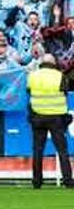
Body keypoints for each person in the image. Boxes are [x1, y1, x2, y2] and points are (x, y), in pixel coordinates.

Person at [27, 54, 74, 189]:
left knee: (37, 150)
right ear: (53, 63)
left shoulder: (32, 76)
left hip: (38, 116)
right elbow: (65, 92)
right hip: (56, 118)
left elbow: (29, 91)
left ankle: (37, 182)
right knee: (62, 150)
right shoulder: (60, 76)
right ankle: (68, 181)